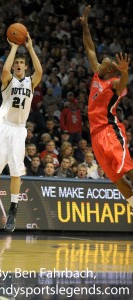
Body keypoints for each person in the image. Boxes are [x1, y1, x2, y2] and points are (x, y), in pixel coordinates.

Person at [0, 33, 42, 232]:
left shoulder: (30, 83)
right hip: (3, 126)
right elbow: (5, 69)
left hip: (18, 131)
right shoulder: (8, 80)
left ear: (26, 67)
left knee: (16, 172)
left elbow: (40, 72)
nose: (18, 65)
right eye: (16, 62)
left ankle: (13, 211)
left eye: (21, 63)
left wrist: (31, 49)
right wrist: (14, 48)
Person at [80, 6, 133, 208]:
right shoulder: (98, 75)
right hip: (96, 137)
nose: (99, 62)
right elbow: (90, 48)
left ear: (111, 71)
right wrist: (85, 27)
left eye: (104, 63)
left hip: (110, 131)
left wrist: (125, 71)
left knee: (127, 168)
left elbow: (123, 85)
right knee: (117, 180)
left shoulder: (114, 84)